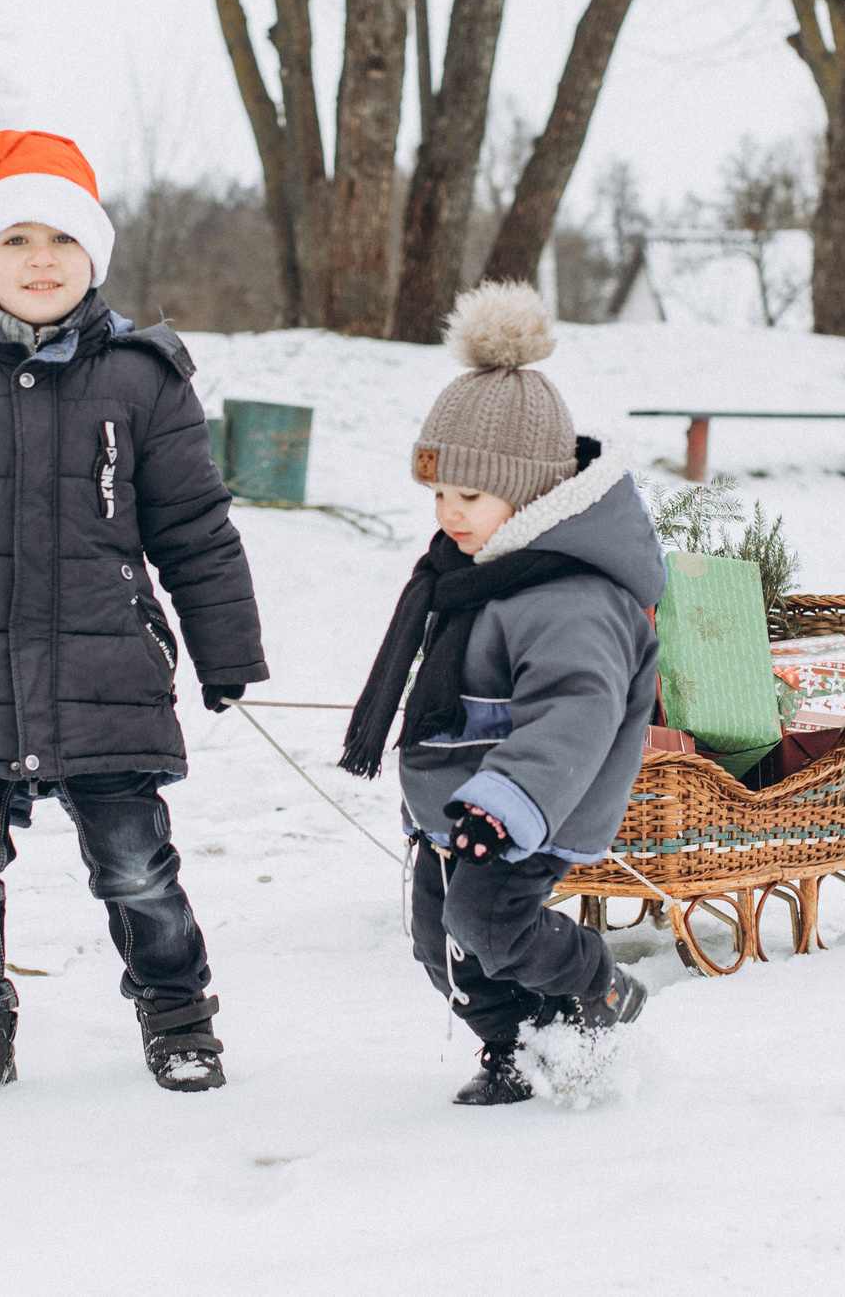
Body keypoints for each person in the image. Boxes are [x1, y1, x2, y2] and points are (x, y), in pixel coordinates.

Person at [0, 128, 267, 1109]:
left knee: (137, 869)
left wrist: (224, 648)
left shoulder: (145, 380)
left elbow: (195, 528)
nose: (39, 261)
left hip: (106, 673)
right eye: (15, 241)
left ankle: (179, 1019)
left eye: (60, 241)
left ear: (93, 258)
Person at [340, 281, 665, 1105]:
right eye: (439, 494)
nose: (448, 514)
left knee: (489, 921)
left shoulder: (572, 595)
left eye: (469, 497)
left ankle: (597, 984)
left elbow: (576, 709)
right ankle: (511, 1046)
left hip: (530, 807)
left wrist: (506, 802)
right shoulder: (476, 572)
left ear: (528, 491)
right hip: (458, 804)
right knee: (438, 941)